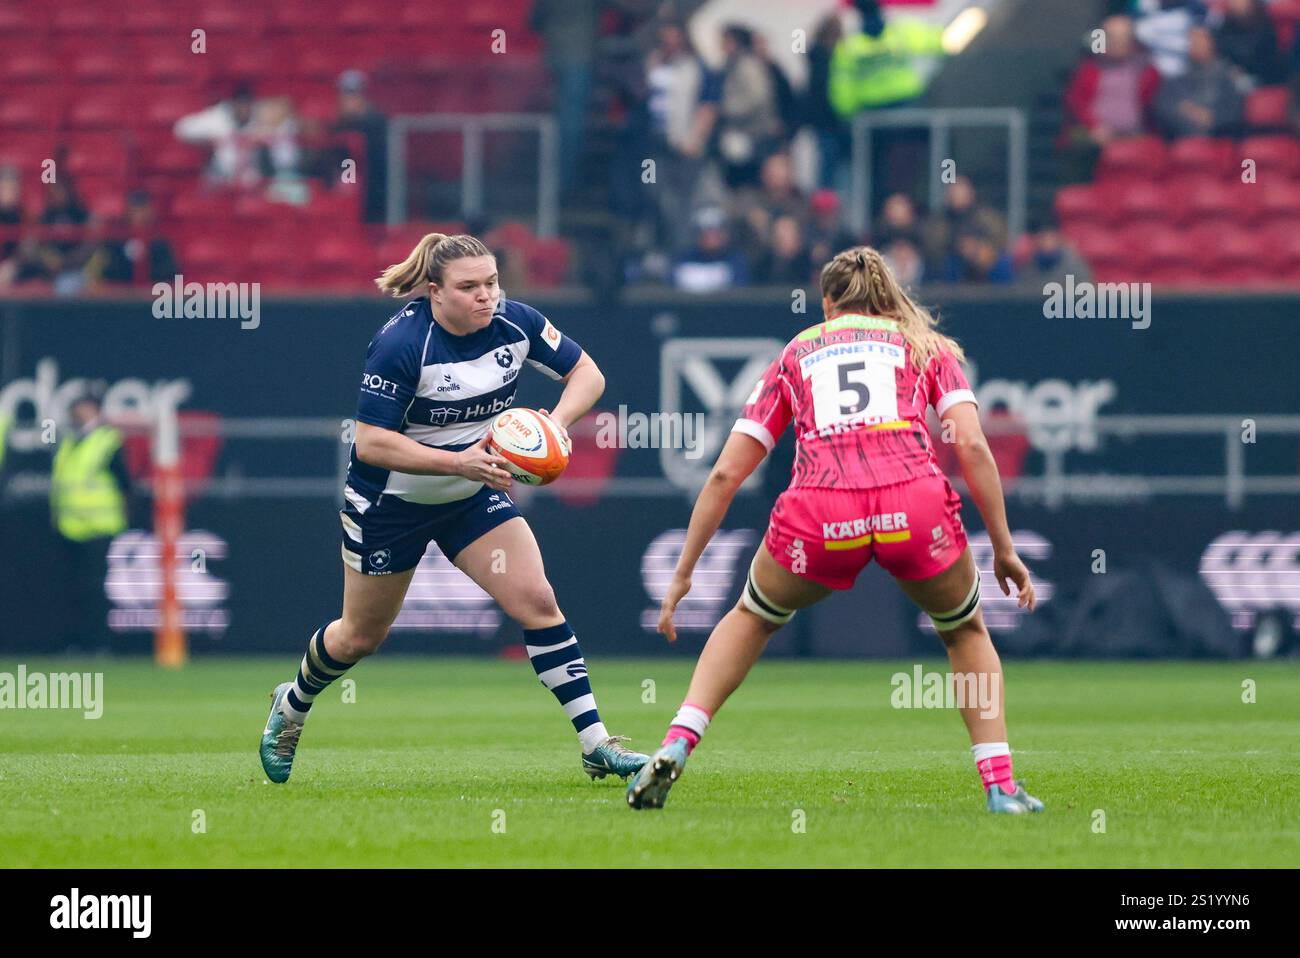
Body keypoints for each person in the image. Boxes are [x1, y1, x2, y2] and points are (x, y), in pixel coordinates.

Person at [627, 245, 1044, 815]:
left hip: (821, 513)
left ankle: (678, 739)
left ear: (828, 303)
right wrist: (1003, 547)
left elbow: (726, 473)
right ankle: (1000, 787)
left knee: (752, 616)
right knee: (964, 631)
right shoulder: (926, 346)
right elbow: (970, 444)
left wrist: (682, 575)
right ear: (886, 296)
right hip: (913, 505)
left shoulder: (797, 352)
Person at [259, 233, 649, 784]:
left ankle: (596, 743)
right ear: (434, 292)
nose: (486, 296)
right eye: (469, 287)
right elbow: (371, 443)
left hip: (472, 494)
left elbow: (589, 375)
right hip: (391, 503)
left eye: (491, 282)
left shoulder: (517, 321)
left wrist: (552, 427)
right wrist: (458, 463)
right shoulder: (402, 344)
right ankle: (292, 703)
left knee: (537, 600)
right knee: (360, 637)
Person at [50, 390, 137, 651]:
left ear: (95, 409)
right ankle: (77, 642)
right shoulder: (70, 441)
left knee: (94, 589)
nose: (76, 412)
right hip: (70, 526)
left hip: (100, 526)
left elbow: (126, 484)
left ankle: (98, 644)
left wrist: (126, 516)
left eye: (82, 407)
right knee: (74, 589)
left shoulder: (107, 440)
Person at [1153, 25, 1245, 138]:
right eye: (1192, 40)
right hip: (1183, 138)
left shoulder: (1229, 74)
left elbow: (1235, 110)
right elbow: (1163, 107)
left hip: (1221, 137)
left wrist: (1213, 118)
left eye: (1200, 38)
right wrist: (1190, 113)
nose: (1195, 43)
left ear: (1212, 42)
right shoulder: (1178, 78)